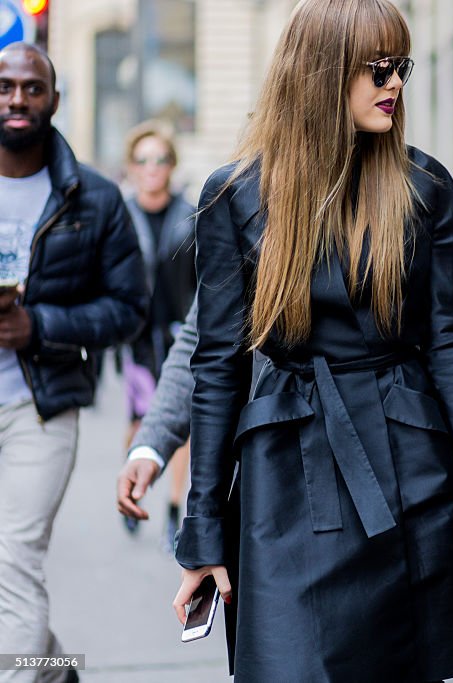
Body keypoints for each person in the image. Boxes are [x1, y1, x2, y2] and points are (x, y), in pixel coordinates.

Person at [169, 1, 453, 680]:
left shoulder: (424, 186)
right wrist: (202, 531)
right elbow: (216, 366)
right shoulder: (235, 196)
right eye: (378, 68)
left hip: (409, 464)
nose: (394, 84)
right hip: (284, 474)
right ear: (323, 74)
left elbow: (452, 348)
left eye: (402, 67)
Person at [0, 43, 147, 683]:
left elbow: (129, 308)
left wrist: (41, 326)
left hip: (40, 406)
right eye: (4, 86)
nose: (17, 99)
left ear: (54, 100)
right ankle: (51, 667)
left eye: (32, 88)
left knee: (14, 559)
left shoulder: (94, 199)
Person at [119, 121, 195, 547]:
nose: (152, 168)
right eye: (144, 160)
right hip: (139, 334)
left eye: (160, 159)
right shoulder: (123, 215)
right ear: (131, 166)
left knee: (179, 422)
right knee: (139, 417)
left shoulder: (190, 213)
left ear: (171, 165)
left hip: (179, 329)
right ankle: (132, 481)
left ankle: (171, 509)